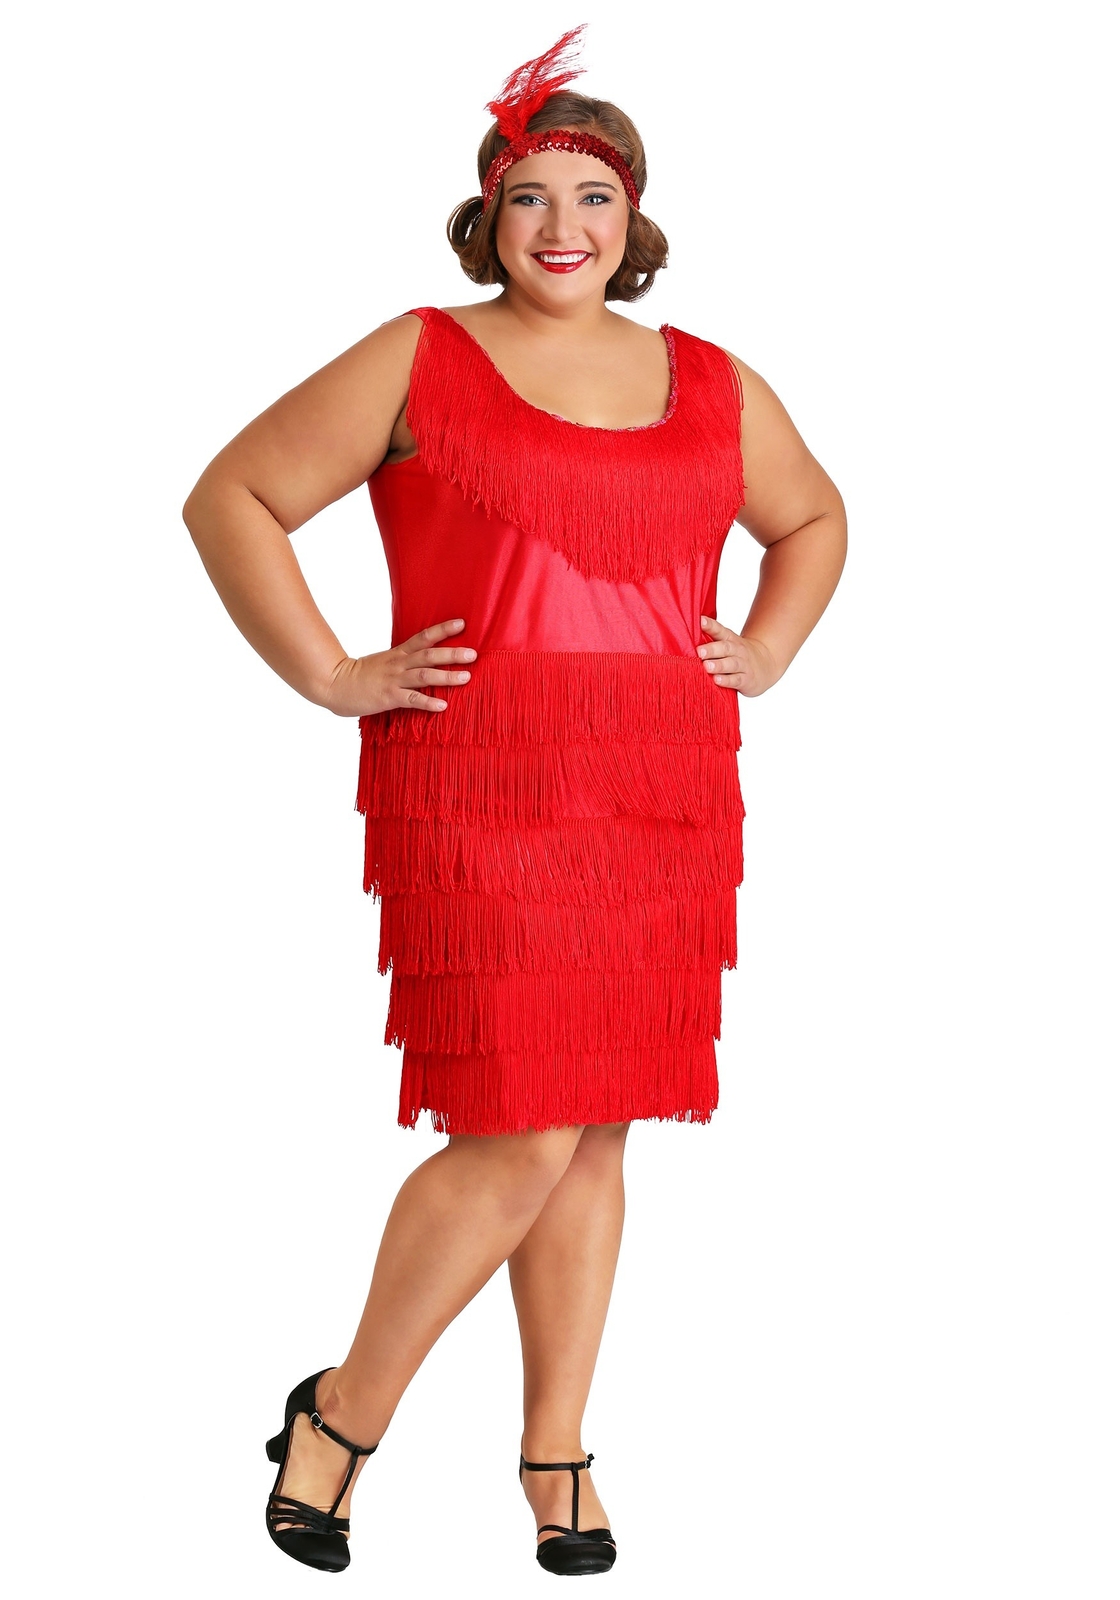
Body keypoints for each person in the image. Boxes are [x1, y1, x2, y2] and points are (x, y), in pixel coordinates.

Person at [181, 24, 846, 1580]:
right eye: (531, 195)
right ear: (489, 213)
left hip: (662, 795)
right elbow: (234, 495)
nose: (562, 226)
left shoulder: (712, 380)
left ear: (634, 217)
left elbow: (814, 518)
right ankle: (341, 1416)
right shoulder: (421, 353)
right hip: (480, 786)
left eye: (592, 196)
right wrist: (331, 671)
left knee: (596, 1133)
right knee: (518, 1128)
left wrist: (766, 649)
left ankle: (557, 1451)